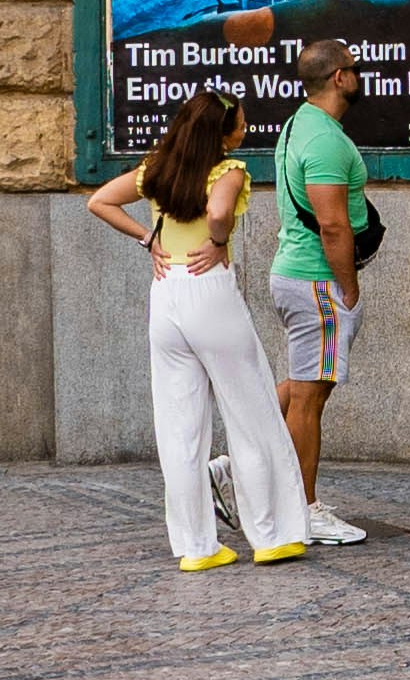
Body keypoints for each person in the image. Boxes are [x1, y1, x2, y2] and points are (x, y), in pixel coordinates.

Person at [86, 86, 310, 572]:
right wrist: (219, 240)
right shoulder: (227, 171)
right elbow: (219, 212)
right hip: (209, 290)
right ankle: (271, 536)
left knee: (179, 426)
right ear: (221, 134)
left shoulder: (157, 169)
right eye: (240, 123)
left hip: (166, 293)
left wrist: (149, 239)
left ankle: (197, 548)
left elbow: (99, 201)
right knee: (251, 414)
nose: (245, 129)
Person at [268, 37, 372, 545]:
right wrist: (347, 288)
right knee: (309, 399)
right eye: (354, 67)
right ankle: (302, 510)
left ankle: (237, 461)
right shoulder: (326, 140)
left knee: (302, 385)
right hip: (317, 281)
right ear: (339, 78)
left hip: (298, 275)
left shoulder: (298, 125)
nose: (359, 74)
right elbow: (332, 225)